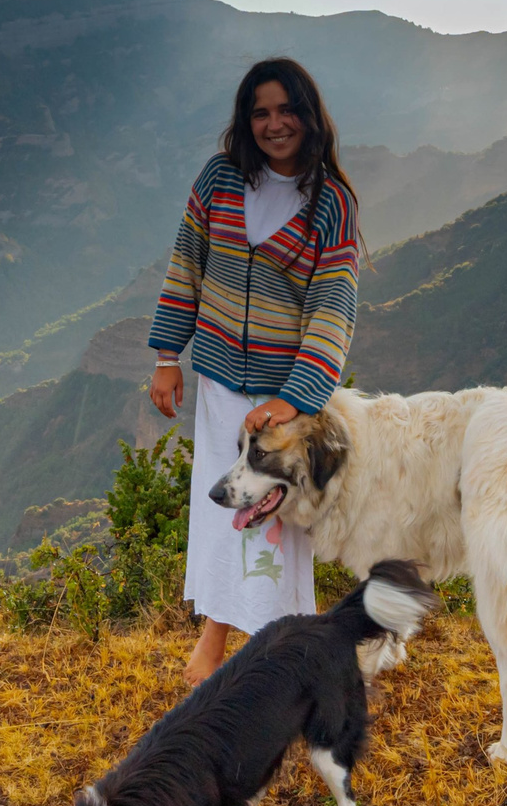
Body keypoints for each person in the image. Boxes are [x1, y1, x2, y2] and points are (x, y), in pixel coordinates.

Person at [147, 57, 362, 687]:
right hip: (219, 385)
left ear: (309, 115)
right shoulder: (220, 180)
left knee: (276, 529)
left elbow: (332, 307)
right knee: (226, 511)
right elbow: (187, 264)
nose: (275, 125)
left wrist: (294, 400)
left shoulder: (330, 204)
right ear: (246, 120)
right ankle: (217, 646)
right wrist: (168, 355)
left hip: (282, 395)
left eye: (287, 110)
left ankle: (271, 652)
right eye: (261, 113)